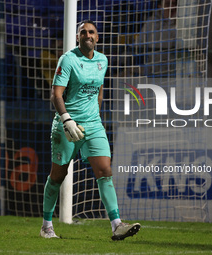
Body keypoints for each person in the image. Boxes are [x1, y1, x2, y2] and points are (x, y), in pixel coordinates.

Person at [40, 20, 141, 240]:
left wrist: (95, 116)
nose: (88, 35)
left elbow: (99, 90)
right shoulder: (68, 60)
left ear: (97, 37)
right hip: (67, 125)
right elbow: (56, 94)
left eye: (91, 32)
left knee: (105, 171)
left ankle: (116, 225)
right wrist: (67, 120)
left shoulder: (102, 60)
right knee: (58, 176)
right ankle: (47, 225)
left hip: (93, 125)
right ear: (78, 37)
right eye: (83, 32)